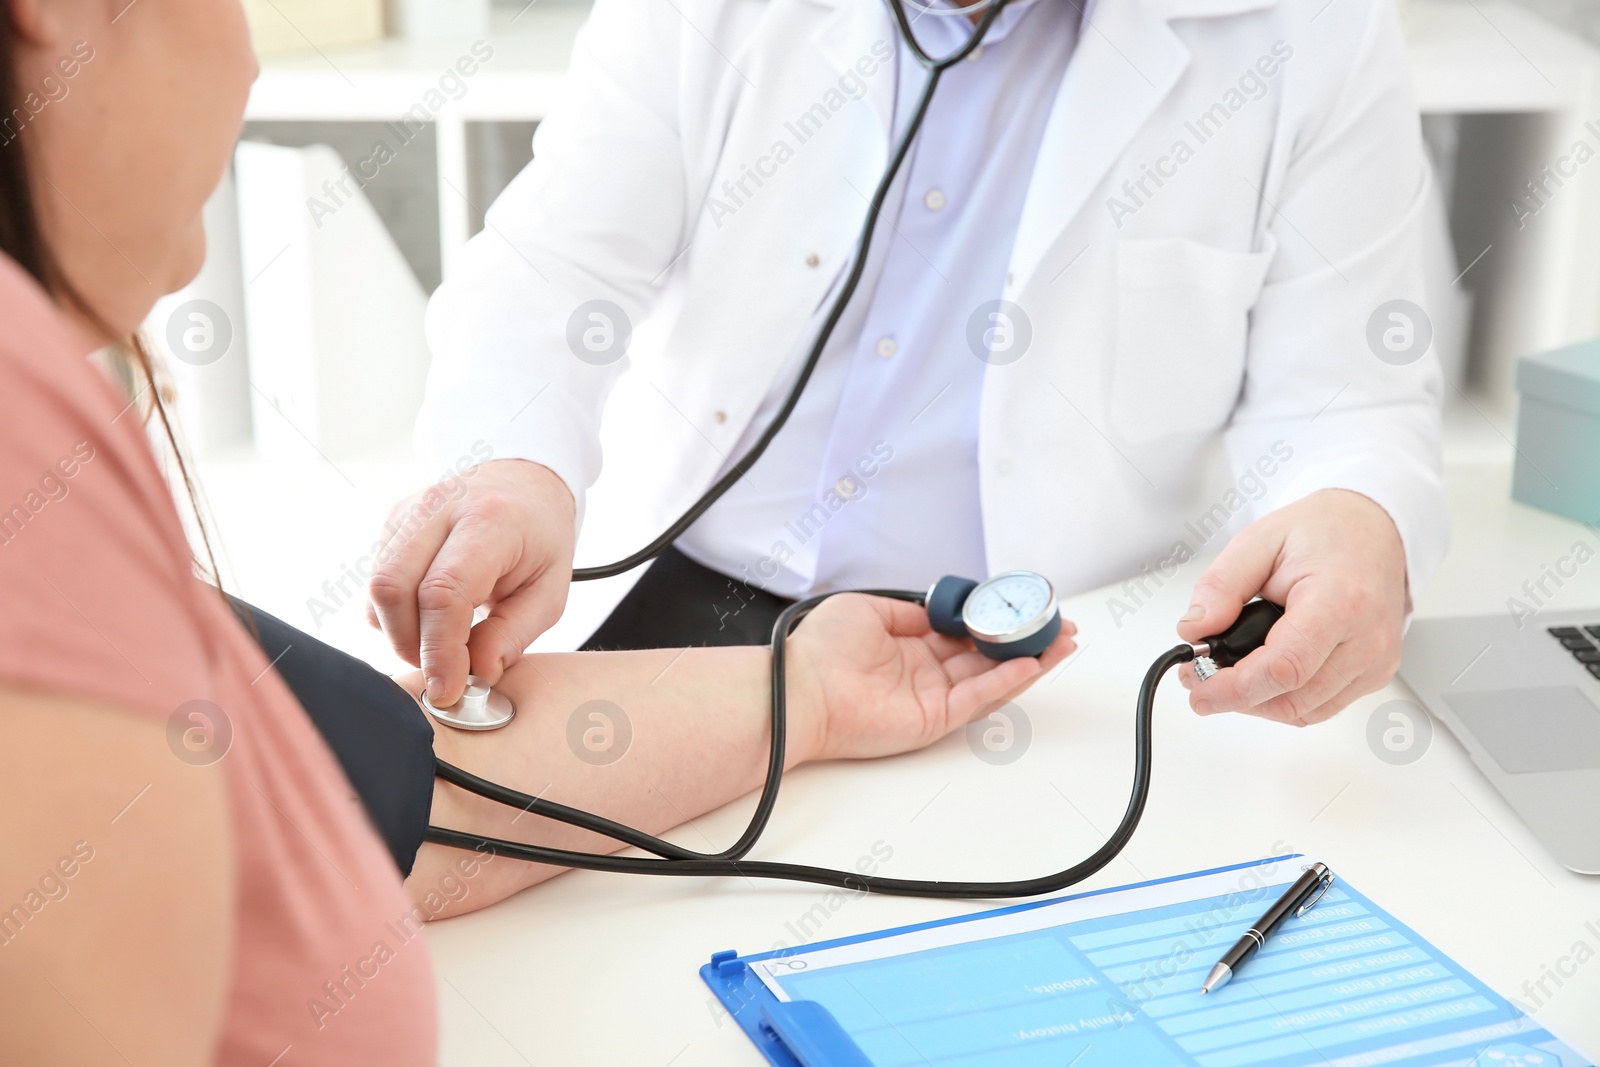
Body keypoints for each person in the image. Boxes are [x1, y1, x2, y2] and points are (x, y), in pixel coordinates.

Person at [0, 0, 1074, 1063]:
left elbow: (404, 797)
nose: (248, 65)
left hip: (1006, 652)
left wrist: (818, 691)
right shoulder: (24, 421)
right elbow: (556, 260)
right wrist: (516, 460)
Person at [374, 0, 1450, 731]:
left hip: (1067, 638)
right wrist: (513, 461)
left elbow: (1353, 393)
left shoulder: (1310, 30)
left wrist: (1360, 512)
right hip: (698, 593)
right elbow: (553, 270)